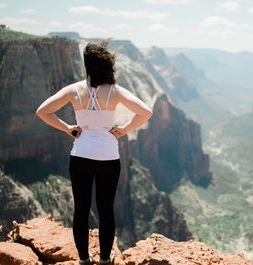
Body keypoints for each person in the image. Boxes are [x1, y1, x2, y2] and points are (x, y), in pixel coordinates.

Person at [36, 40, 153, 264]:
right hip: (108, 157)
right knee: (105, 209)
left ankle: (83, 259)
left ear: (87, 66)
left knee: (81, 209)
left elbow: (42, 111)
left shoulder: (74, 90)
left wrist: (67, 128)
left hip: (80, 155)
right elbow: (145, 112)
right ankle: (105, 259)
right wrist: (125, 129)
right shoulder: (114, 92)